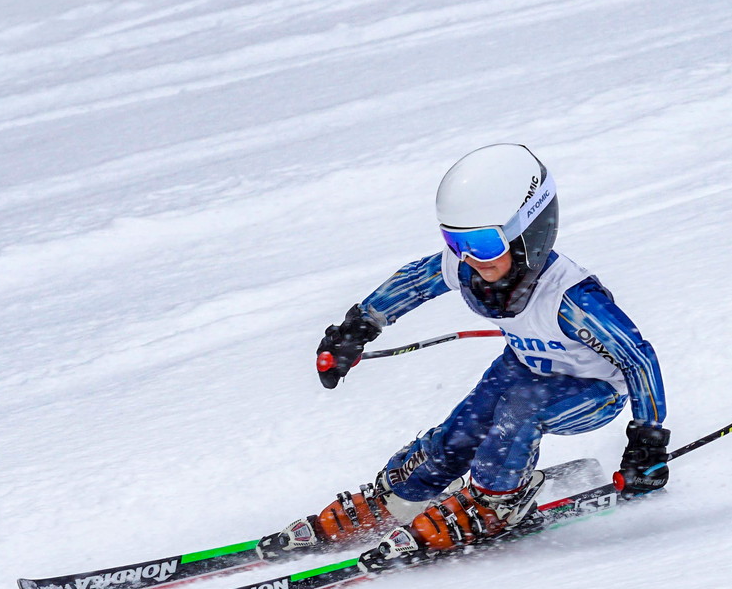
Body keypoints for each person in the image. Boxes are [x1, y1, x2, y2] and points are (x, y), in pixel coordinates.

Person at [259, 143, 669, 564]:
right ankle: (402, 498)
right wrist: (356, 329)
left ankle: (496, 502)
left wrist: (647, 444)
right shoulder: (468, 267)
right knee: (462, 430)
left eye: (485, 244)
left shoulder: (572, 299)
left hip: (593, 393)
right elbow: (417, 281)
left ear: (529, 233)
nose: (470, 257)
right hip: (525, 368)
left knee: (519, 409)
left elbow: (638, 360)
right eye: (456, 242)